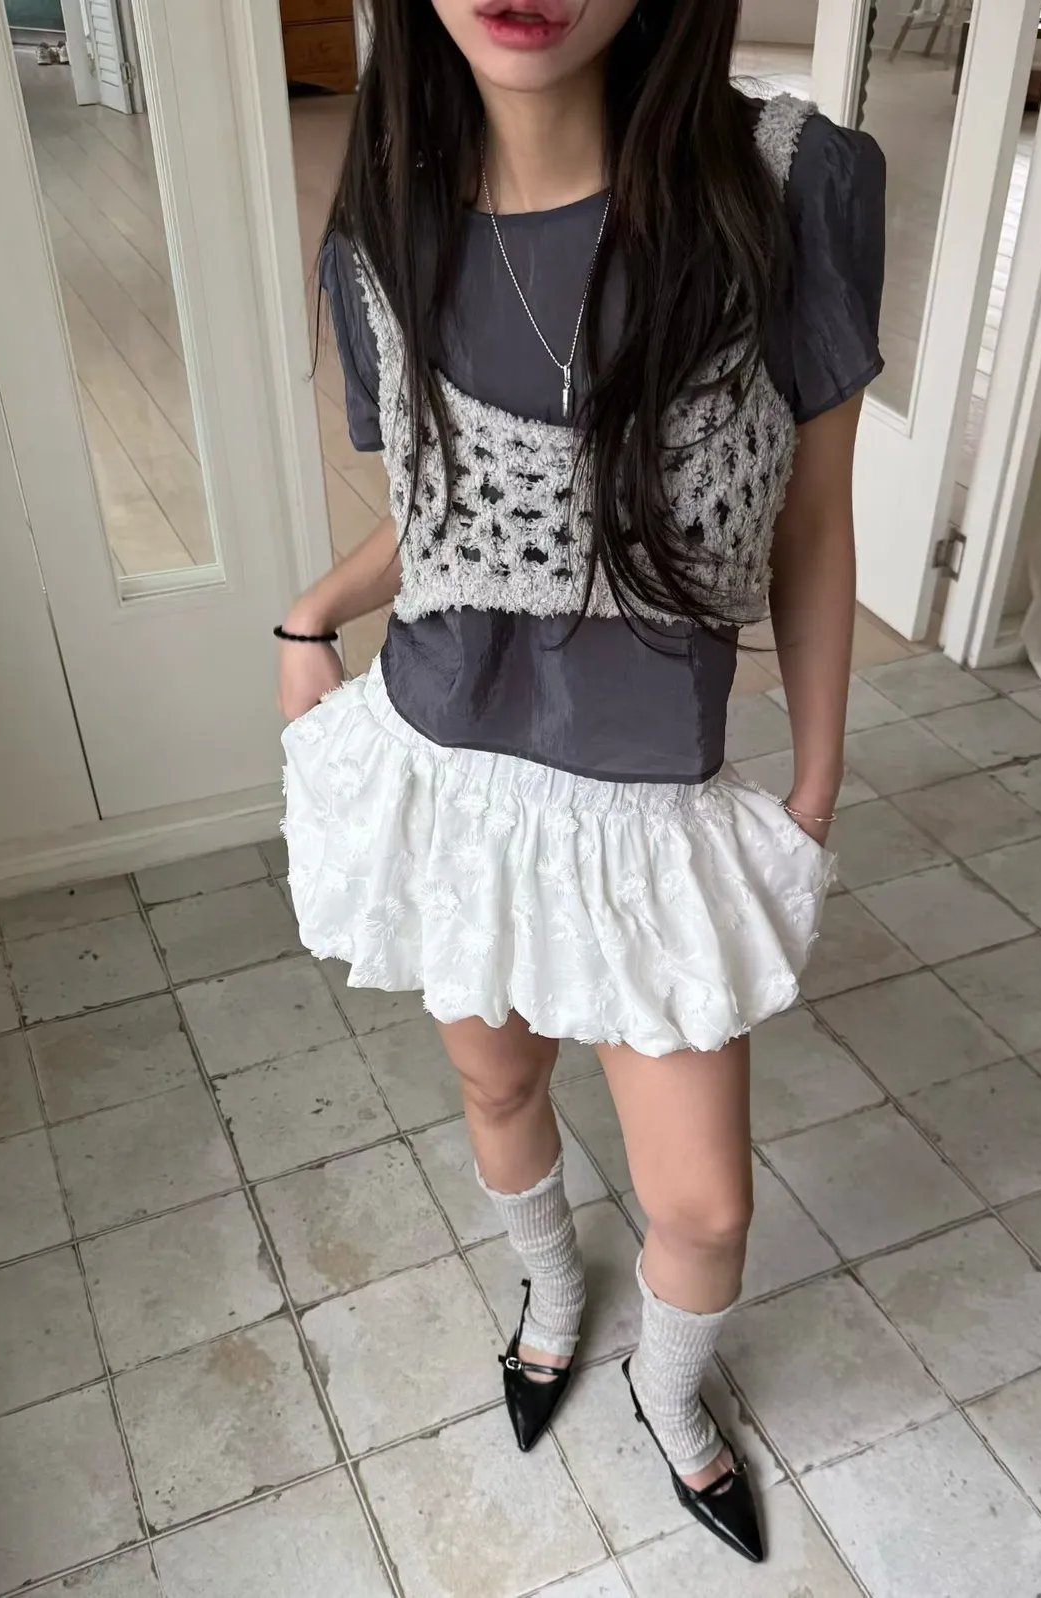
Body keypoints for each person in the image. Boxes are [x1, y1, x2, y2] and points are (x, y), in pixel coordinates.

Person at [278, 0, 884, 1565]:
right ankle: (549, 1283)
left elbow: (816, 518)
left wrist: (816, 782)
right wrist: (308, 617)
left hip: (652, 808)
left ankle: (669, 1390)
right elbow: (443, 505)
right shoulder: (383, 221)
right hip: (449, 777)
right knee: (498, 1084)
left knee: (705, 1204)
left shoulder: (788, 188)